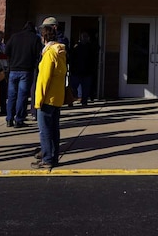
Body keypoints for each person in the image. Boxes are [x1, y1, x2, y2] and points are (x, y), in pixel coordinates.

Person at [32, 24, 68, 169]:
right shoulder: (61, 52)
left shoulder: (49, 54)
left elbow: (44, 79)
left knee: (45, 130)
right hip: (57, 97)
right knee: (54, 130)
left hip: (47, 98)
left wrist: (38, 100)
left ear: (44, 37)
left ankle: (47, 159)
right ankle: (54, 156)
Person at [6, 21, 43, 128]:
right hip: (26, 70)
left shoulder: (14, 37)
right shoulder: (35, 38)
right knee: (22, 96)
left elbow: (7, 50)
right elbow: (38, 54)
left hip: (13, 69)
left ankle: (9, 118)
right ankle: (19, 119)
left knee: (12, 95)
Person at [68, 32, 95, 107]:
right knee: (84, 88)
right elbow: (93, 59)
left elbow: (71, 58)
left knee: (74, 87)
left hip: (78, 71)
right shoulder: (90, 47)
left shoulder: (76, 47)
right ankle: (83, 101)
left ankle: (72, 100)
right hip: (85, 71)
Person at [0, 30, 9, 117]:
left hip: (3, 69)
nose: (1, 38)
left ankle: (3, 108)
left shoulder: (3, 45)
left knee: (3, 91)